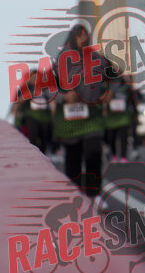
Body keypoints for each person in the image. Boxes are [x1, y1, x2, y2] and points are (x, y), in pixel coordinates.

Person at [52, 24, 114, 197]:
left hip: (92, 116)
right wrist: (63, 96)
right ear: (72, 38)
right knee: (73, 158)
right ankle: (76, 195)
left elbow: (114, 77)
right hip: (69, 120)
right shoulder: (60, 61)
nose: (83, 39)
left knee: (94, 153)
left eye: (86, 35)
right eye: (80, 36)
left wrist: (109, 93)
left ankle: (94, 194)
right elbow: (48, 88)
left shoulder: (97, 58)